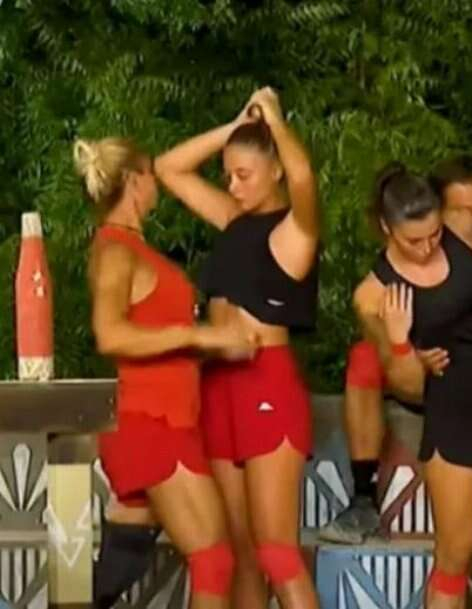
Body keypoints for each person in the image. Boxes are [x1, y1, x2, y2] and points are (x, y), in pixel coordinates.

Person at [342, 162, 472, 609]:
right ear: (387, 229)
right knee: (456, 551)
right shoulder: (372, 296)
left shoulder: (461, 226)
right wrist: (402, 344)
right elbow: (408, 387)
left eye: (434, 234)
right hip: (455, 412)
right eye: (413, 240)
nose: (427, 247)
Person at [154, 87, 320, 609]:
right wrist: (234, 128)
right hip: (217, 386)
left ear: (275, 170)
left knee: (277, 551)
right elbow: (167, 168)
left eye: (244, 175)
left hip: (265, 380)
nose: (233, 185)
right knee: (242, 553)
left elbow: (305, 179)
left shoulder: (295, 230)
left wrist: (275, 122)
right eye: (228, 175)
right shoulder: (233, 218)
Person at [76, 136, 254, 609]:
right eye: (151, 175)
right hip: (153, 423)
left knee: (121, 558)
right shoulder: (116, 251)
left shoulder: (134, 247)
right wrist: (202, 336)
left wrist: (216, 346)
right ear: (135, 181)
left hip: (170, 416)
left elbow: (158, 338)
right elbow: (111, 335)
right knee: (214, 561)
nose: (157, 184)